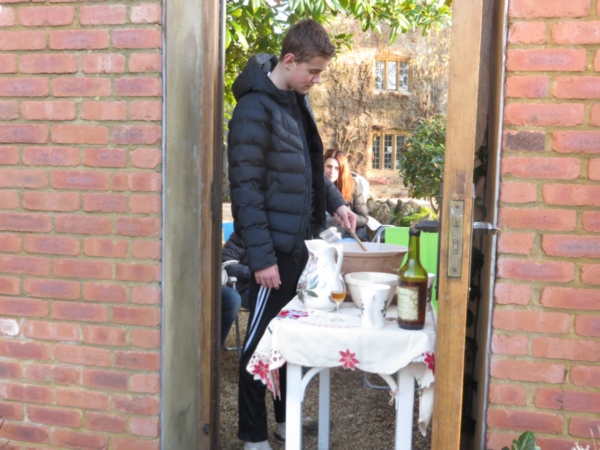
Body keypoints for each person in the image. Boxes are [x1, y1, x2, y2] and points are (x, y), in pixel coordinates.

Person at [227, 19, 357, 450]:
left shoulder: (297, 101)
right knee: (258, 346)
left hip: (299, 249)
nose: (317, 80)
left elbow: (310, 168)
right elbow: (246, 191)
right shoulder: (253, 110)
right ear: (289, 60)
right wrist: (262, 259)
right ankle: (253, 437)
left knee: (287, 341)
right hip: (273, 255)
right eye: (313, 71)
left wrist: (337, 203)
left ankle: (285, 421)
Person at [323, 149, 370, 241]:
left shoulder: (352, 186)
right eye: (329, 166)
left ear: (342, 170)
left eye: (337, 168)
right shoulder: (314, 186)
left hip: (349, 235)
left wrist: (348, 219)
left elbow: (364, 218)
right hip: (323, 235)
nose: (332, 171)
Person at [222, 232, 250, 309]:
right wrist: (253, 273)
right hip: (246, 287)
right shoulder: (244, 233)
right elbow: (227, 265)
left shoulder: (280, 236)